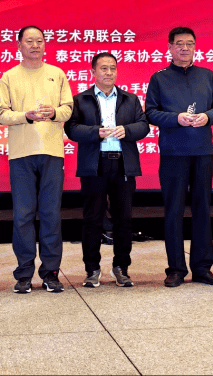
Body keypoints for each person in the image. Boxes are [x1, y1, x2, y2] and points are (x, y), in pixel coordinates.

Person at [145, 27, 213, 288]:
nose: (185, 48)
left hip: (202, 151)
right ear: (169, 47)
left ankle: (202, 268)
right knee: (174, 210)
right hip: (173, 152)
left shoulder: (207, 75)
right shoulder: (159, 78)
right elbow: (151, 113)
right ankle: (176, 269)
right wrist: (176, 118)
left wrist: (207, 117)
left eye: (190, 43)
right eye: (179, 43)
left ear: (195, 47)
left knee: (203, 208)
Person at [0, 26, 73, 294]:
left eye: (39, 41)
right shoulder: (9, 76)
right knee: (23, 215)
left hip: (52, 151)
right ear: (19, 45)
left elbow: (68, 109)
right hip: (21, 154)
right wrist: (25, 116)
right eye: (29, 41)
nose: (35, 45)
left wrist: (54, 113)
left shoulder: (57, 74)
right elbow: (1, 114)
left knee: (51, 214)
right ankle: (24, 273)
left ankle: (51, 272)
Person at [65, 52, 150, 288]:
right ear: (93, 72)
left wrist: (127, 131)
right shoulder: (81, 99)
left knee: (124, 219)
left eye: (113, 68)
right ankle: (92, 269)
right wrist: (96, 132)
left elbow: (143, 125)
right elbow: (71, 129)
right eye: (104, 68)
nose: (109, 72)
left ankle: (121, 267)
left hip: (123, 163)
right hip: (95, 164)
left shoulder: (130, 99)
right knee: (92, 219)